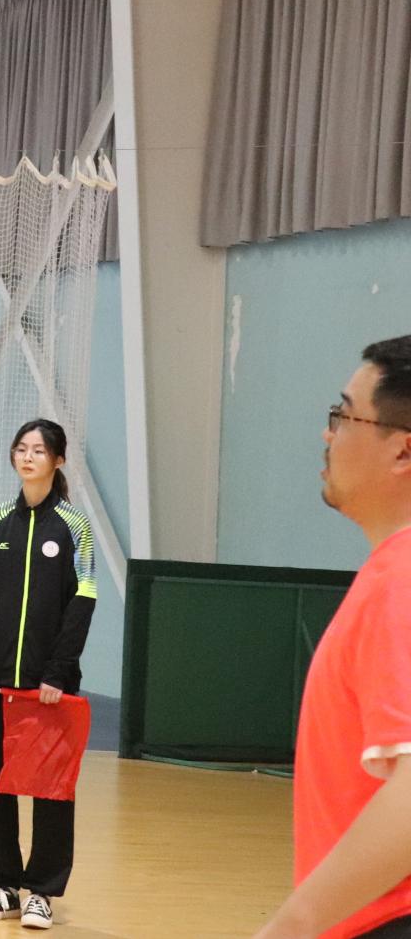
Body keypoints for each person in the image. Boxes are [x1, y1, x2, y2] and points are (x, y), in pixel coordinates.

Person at [254, 336, 411, 939]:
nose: (329, 434)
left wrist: (290, 928)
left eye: (343, 416)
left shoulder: (401, 581)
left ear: (403, 450)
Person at [0, 419, 96, 930]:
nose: (28, 457)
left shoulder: (74, 527)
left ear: (58, 460)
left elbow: (82, 601)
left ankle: (42, 891)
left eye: (39, 450)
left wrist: (58, 672)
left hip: (48, 687)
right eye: (21, 448)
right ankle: (3, 887)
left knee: (50, 787)